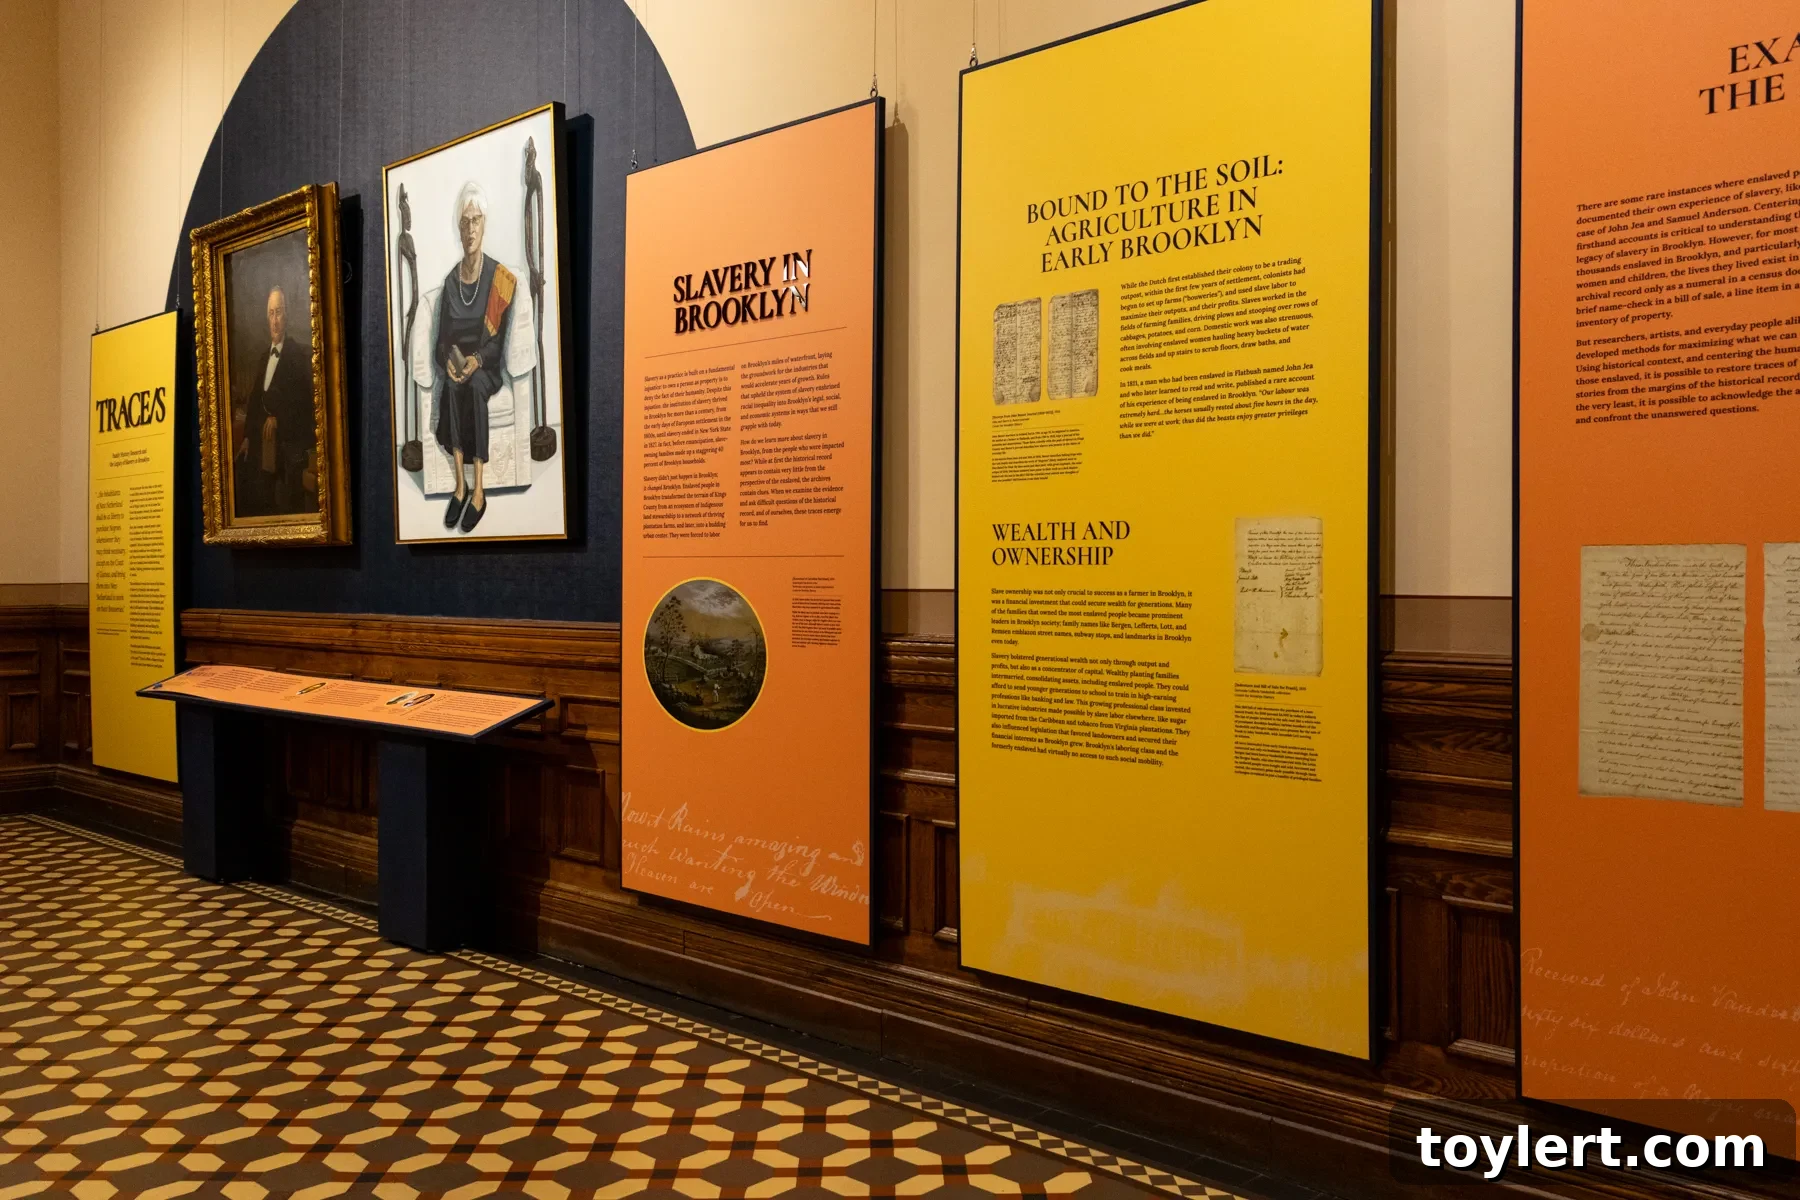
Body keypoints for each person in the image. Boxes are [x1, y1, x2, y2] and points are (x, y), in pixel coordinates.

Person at [433, 181, 518, 534]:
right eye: (465, 222)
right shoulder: (451, 283)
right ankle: (460, 486)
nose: (470, 229)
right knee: (452, 389)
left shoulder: (500, 278)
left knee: (474, 387)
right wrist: (450, 365)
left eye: (476, 221)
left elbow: (498, 345)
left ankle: (479, 491)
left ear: (484, 226)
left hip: (486, 366)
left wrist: (475, 362)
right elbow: (441, 342)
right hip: (459, 367)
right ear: (458, 227)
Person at [235, 285, 316, 516]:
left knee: (287, 501)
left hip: (290, 446)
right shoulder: (263, 357)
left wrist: (279, 419)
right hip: (264, 446)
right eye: (271, 313)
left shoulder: (298, 356)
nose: (275, 320)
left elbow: (305, 405)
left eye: (278, 312)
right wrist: (248, 436)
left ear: (287, 314)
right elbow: (254, 401)